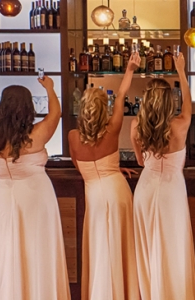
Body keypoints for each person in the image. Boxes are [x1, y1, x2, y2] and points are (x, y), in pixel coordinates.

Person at [0, 80, 70, 299]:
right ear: (28, 108)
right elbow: (56, 113)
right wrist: (49, 88)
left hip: (3, 202)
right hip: (36, 201)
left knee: (6, 252)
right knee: (37, 252)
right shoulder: (36, 135)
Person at [68, 53, 141, 300]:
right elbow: (121, 95)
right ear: (103, 110)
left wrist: (106, 167)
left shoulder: (72, 138)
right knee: (121, 247)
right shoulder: (113, 129)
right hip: (118, 191)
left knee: (100, 247)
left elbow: (82, 168)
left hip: (95, 196)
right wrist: (130, 68)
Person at [130, 53, 195, 299]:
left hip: (146, 188)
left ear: (146, 101)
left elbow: (140, 161)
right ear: (170, 101)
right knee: (172, 245)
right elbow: (189, 102)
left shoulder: (136, 127)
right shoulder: (180, 124)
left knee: (148, 246)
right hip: (171, 191)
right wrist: (181, 71)